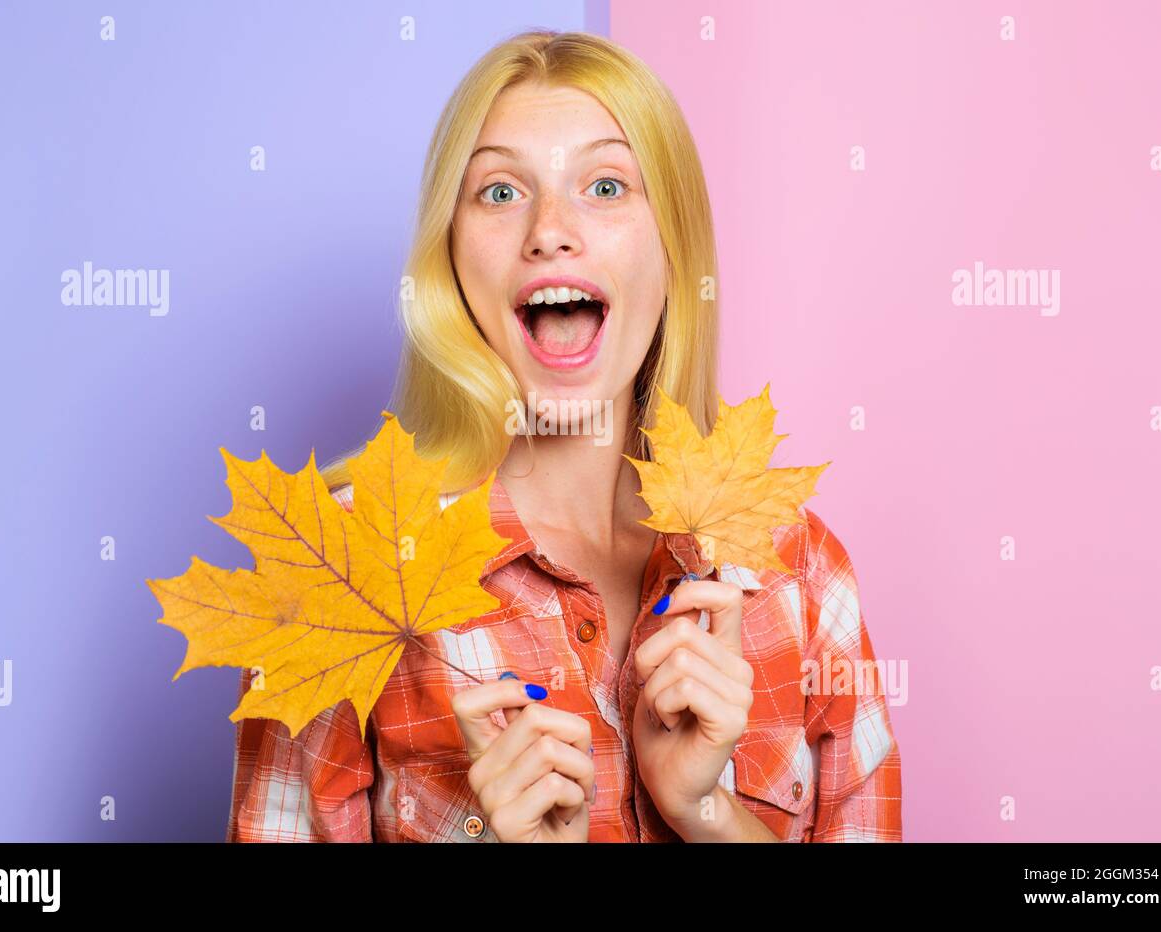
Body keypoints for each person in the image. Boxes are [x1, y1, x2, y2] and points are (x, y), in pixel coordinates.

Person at [227, 29, 901, 843]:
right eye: (501, 193)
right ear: (451, 260)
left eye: (607, 185)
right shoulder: (345, 566)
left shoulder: (799, 575)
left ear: (672, 250)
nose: (550, 228)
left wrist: (707, 812)